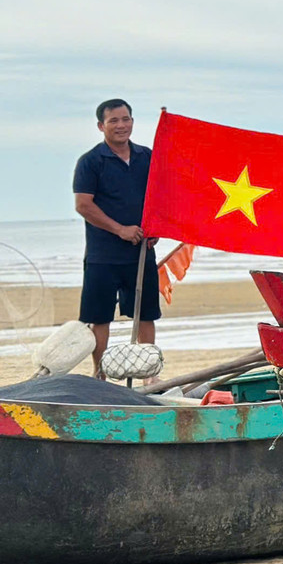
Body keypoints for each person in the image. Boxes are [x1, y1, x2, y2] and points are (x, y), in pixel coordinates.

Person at [73, 99, 159, 378]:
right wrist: (120, 229)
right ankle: (100, 374)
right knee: (99, 318)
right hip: (102, 255)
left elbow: (162, 197)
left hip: (142, 251)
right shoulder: (90, 162)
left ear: (132, 121)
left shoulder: (148, 157)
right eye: (114, 121)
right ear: (101, 126)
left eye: (126, 119)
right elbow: (83, 205)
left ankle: (148, 375)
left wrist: (158, 227)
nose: (121, 126)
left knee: (146, 314)